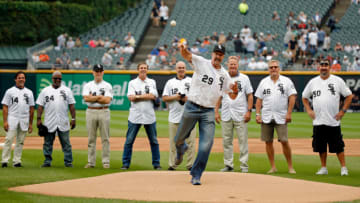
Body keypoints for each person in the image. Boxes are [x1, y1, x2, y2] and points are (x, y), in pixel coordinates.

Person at [174, 44, 235, 185]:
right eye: (216, 53)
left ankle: (196, 174)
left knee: (206, 145)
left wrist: (235, 91)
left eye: (220, 54)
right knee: (178, 139)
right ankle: (180, 148)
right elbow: (187, 55)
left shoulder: (224, 75)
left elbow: (231, 94)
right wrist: (183, 49)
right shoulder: (202, 62)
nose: (218, 56)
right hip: (191, 107)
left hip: (208, 111)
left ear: (223, 57)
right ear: (212, 54)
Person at [302, 59, 353, 176]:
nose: (324, 67)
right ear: (318, 67)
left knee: (338, 146)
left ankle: (344, 168)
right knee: (321, 146)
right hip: (318, 120)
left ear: (329, 67)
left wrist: (343, 111)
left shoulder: (337, 81)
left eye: (326, 65)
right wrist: (309, 110)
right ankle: (323, 167)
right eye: (322, 65)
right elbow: (304, 97)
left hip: (333, 120)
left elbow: (349, 96)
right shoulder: (313, 82)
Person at [254, 60, 297, 174]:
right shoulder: (263, 82)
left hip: (281, 115)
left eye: (275, 67)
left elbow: (292, 97)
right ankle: (273, 166)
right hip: (266, 115)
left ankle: (290, 167)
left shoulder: (286, 81)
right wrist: (257, 114)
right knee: (268, 142)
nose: (273, 69)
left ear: (279, 68)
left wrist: (289, 113)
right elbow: (258, 100)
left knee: (284, 141)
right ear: (268, 69)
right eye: (271, 67)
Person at [215, 56, 254, 173]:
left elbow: (250, 95)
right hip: (226, 113)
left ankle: (244, 165)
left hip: (241, 113)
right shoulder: (223, 78)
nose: (232, 66)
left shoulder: (245, 78)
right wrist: (216, 111)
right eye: (231, 64)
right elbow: (219, 96)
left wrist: (249, 111)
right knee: (226, 141)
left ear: (238, 65)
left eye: (234, 64)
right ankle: (228, 164)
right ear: (227, 65)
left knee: (243, 140)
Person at [121, 62, 161, 170]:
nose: (143, 69)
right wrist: (145, 96)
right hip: (135, 116)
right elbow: (131, 98)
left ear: (147, 70)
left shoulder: (152, 82)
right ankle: (125, 163)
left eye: (145, 68)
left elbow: (153, 96)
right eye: (141, 68)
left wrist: (138, 96)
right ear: (138, 70)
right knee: (129, 140)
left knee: (154, 141)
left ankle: (156, 163)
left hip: (149, 115)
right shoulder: (132, 83)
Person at [36, 71, 76, 167]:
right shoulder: (45, 91)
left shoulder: (67, 90)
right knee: (47, 143)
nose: (58, 80)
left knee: (66, 143)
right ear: (52, 79)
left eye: (59, 79)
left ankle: (68, 161)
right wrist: (38, 119)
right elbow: (40, 106)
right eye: (56, 78)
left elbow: (71, 106)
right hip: (49, 121)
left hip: (63, 121)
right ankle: (47, 161)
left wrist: (73, 118)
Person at [162, 61, 196, 171]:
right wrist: (176, 97)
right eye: (179, 67)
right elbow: (165, 98)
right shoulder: (170, 82)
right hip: (174, 117)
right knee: (173, 143)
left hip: (190, 117)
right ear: (176, 69)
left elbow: (197, 97)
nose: (181, 69)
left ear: (185, 69)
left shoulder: (191, 81)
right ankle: (172, 165)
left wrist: (188, 99)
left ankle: (190, 165)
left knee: (191, 143)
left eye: (183, 67)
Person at [1, 71, 34, 168]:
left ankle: (17, 161)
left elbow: (31, 109)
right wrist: (5, 121)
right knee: (9, 139)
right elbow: (5, 106)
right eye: (19, 77)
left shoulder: (29, 92)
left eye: (23, 77)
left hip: (24, 118)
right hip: (13, 117)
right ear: (15, 79)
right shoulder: (9, 91)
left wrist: (31, 124)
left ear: (25, 79)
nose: (21, 79)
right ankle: (4, 161)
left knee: (20, 141)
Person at [82, 64, 113, 169]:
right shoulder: (88, 85)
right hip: (91, 111)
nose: (98, 73)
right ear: (93, 72)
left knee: (105, 138)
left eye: (100, 71)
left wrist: (93, 97)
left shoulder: (107, 85)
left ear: (103, 72)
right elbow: (86, 99)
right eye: (97, 71)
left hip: (104, 111)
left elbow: (107, 100)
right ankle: (91, 162)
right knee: (91, 138)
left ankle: (106, 162)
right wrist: (100, 97)